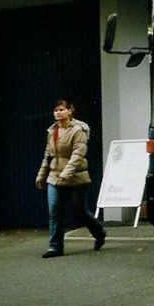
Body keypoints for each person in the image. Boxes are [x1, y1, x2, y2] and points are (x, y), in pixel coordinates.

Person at [35, 99, 106, 258]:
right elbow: (48, 155)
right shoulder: (52, 131)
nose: (57, 113)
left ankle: (99, 232)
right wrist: (41, 175)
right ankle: (55, 247)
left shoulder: (77, 130)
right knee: (55, 211)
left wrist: (65, 174)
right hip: (54, 178)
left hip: (76, 178)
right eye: (55, 110)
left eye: (61, 109)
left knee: (80, 211)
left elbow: (78, 155)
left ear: (70, 111)